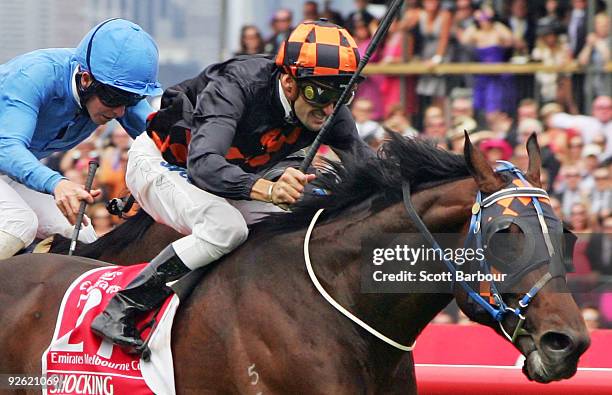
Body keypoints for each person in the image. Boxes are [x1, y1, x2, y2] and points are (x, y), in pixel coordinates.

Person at [91, 19, 374, 352]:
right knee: (225, 228)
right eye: (319, 93)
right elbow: (205, 167)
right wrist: (268, 189)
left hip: (232, 173)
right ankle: (124, 306)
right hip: (166, 163)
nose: (329, 109)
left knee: (305, 219)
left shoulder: (330, 108)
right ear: (289, 82)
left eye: (343, 95)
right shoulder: (235, 86)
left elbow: (367, 167)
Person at [0, 18, 161, 259]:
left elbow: (164, 141)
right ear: (86, 79)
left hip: (8, 171)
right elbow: (7, 148)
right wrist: (57, 183)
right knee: (18, 222)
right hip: (6, 154)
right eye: (116, 99)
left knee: (82, 235)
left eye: (131, 101)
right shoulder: (33, 76)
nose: (120, 112)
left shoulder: (111, 92)